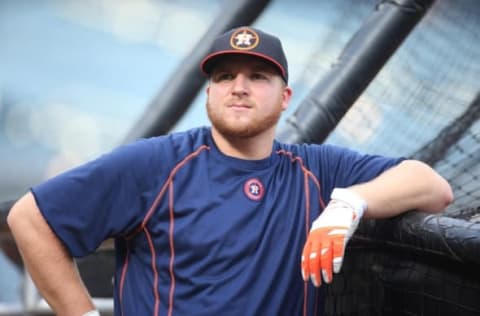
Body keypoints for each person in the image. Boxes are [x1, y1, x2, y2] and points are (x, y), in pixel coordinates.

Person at [7, 26, 453, 316]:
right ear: (209, 93)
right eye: (224, 76)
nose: (238, 87)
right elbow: (29, 218)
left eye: (258, 76)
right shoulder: (156, 163)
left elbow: (431, 186)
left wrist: (350, 203)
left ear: (285, 97)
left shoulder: (316, 168)